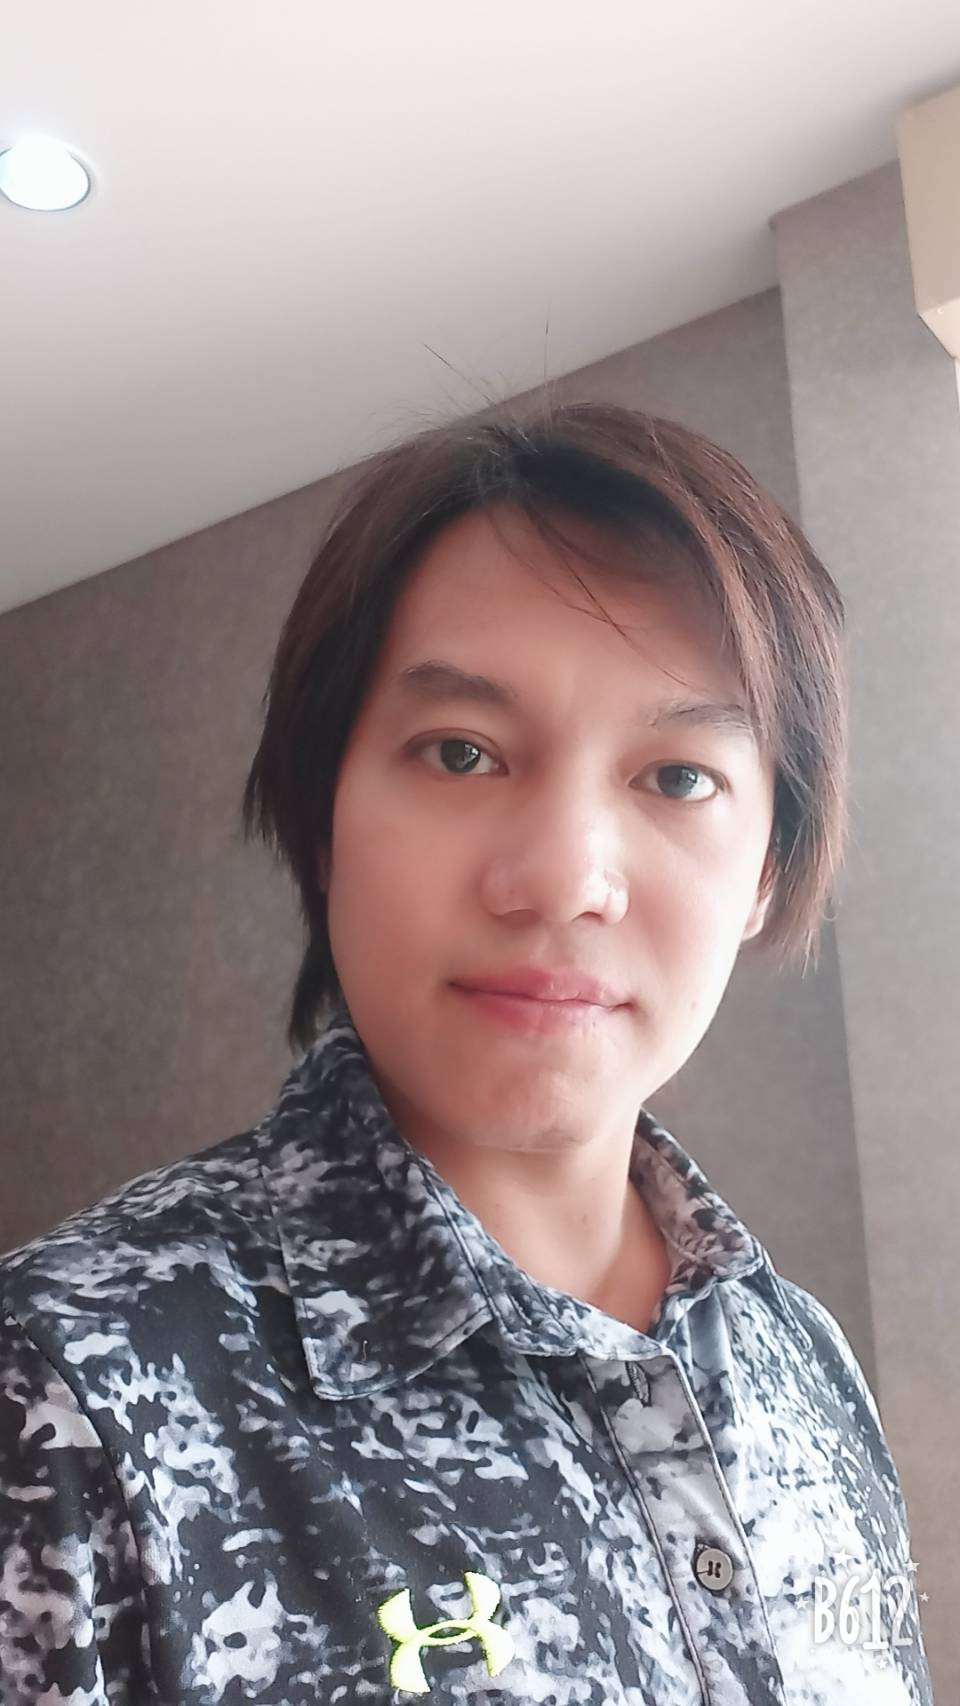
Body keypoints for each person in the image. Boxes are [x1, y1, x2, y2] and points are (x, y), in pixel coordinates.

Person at [0, 397, 933, 1704]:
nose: (563, 877)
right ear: (324, 816)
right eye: (462, 752)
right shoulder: (66, 1381)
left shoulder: (806, 1361)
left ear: (768, 869)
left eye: (677, 777)